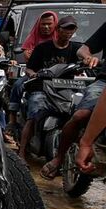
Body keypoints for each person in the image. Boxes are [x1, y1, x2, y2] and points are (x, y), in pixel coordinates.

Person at [44, 20, 106, 179]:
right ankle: (59, 158)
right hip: (102, 81)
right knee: (81, 115)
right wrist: (88, 57)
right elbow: (84, 49)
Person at [18, 16, 81, 160]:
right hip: (42, 88)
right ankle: (21, 152)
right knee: (34, 113)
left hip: (65, 89)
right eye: (65, 28)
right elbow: (29, 69)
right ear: (58, 29)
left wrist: (88, 63)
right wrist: (34, 74)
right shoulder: (42, 48)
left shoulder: (77, 49)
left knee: (77, 113)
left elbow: (85, 60)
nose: (68, 32)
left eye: (71, 29)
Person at [7, 11, 59, 136]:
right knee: (18, 85)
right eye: (43, 24)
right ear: (39, 25)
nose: (46, 27)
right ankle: (12, 118)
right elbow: (28, 59)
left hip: (58, 76)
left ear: (55, 24)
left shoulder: (60, 39)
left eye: (49, 24)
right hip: (35, 74)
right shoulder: (33, 37)